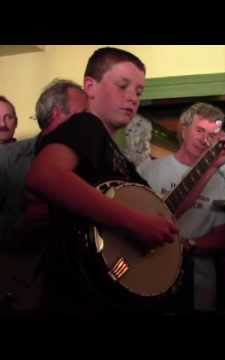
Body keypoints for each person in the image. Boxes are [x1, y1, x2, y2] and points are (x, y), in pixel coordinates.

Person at [21, 47, 178, 314]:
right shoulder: (85, 125)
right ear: (90, 86)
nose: (132, 98)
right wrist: (137, 222)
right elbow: (44, 175)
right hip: (77, 296)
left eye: (138, 92)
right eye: (122, 86)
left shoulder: (112, 150)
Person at [139, 102, 225, 313]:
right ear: (183, 128)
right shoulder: (148, 170)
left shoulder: (221, 179)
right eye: (199, 130)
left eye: (211, 133)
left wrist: (187, 245)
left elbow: (222, 235)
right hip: (149, 268)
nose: (205, 138)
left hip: (199, 278)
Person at [0, 79, 88, 234]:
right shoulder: (8, 159)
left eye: (8, 117)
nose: (91, 122)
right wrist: (26, 221)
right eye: (83, 115)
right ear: (56, 114)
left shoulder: (91, 157)